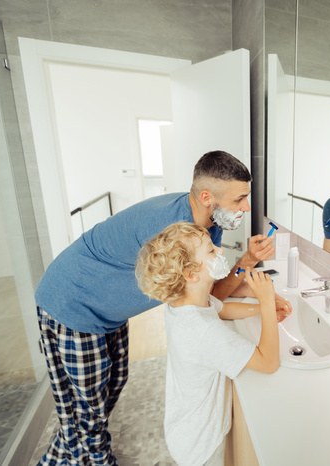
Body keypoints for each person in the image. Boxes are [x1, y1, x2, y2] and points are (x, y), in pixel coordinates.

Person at [34, 150, 290, 465]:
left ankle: (62, 458)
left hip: (107, 314)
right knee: (87, 410)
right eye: (239, 199)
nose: (246, 207)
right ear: (207, 196)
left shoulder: (206, 225)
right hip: (73, 303)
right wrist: (259, 297)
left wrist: (248, 263)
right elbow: (212, 294)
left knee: (110, 387)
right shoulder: (173, 230)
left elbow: (211, 292)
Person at [135, 222, 281, 466]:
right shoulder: (203, 331)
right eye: (211, 251)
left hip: (185, 427)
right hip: (202, 446)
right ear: (191, 274)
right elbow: (268, 362)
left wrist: (267, 309)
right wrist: (266, 302)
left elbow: (223, 309)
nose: (221, 251)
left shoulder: (184, 304)